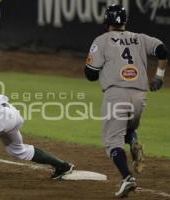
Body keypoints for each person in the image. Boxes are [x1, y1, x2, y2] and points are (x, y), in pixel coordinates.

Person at [85, 4, 168, 198]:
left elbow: (90, 74)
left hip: (116, 95)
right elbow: (162, 50)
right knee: (128, 128)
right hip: (140, 97)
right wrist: (159, 76)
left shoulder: (102, 40)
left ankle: (127, 178)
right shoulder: (140, 38)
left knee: (112, 141)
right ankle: (134, 141)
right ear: (124, 22)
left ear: (106, 22)